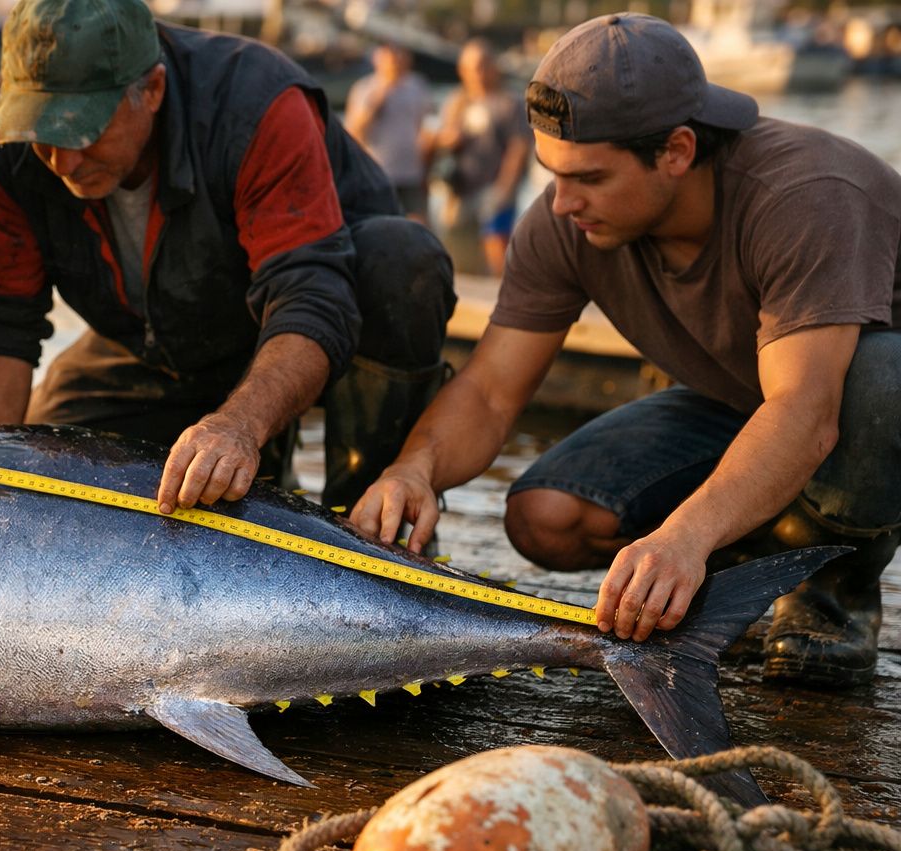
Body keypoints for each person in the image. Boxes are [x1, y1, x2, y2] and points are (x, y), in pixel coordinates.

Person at [351, 13, 901, 689]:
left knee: (881, 381)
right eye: (552, 173)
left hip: (845, 399)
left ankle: (832, 590)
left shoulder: (805, 195)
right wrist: (416, 468)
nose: (560, 203)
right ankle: (741, 577)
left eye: (588, 177)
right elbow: (493, 389)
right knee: (544, 519)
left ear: (676, 150)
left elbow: (805, 411)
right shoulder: (564, 220)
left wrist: (685, 537)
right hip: (739, 393)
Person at [0, 0, 455, 513]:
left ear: (152, 89)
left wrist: (240, 425)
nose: (63, 162)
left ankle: (374, 517)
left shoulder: (254, 100)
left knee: (402, 260)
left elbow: (310, 298)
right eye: (42, 134)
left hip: (315, 337)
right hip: (151, 343)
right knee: (42, 474)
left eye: (82, 130)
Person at [429, 39, 532, 276]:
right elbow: (440, 138)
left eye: (482, 65)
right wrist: (447, 139)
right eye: (471, 67)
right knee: (458, 246)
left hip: (493, 185)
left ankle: (503, 294)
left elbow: (519, 148)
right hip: (461, 187)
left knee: (496, 245)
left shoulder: (510, 102)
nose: (477, 73)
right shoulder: (457, 101)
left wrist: (505, 188)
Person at [344, 41, 435, 223]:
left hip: (412, 173)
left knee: (418, 226)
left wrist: (427, 164)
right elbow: (353, 133)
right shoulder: (364, 89)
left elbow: (426, 127)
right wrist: (377, 101)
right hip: (378, 174)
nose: (395, 63)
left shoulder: (417, 86)